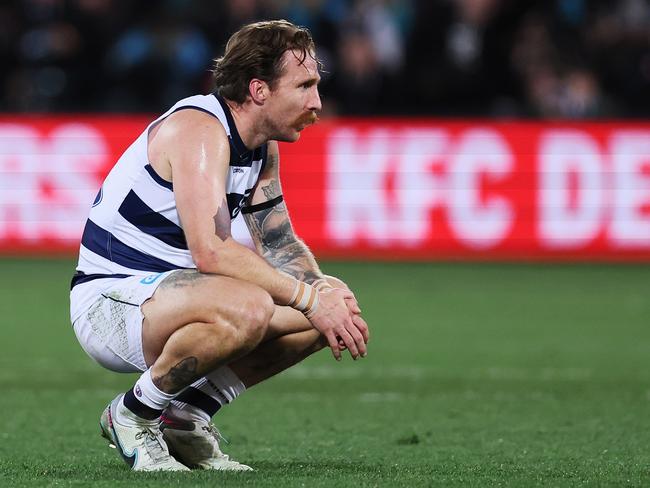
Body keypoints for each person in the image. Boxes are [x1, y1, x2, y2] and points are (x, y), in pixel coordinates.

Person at [69, 19, 369, 472]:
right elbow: (211, 250)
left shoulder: (261, 147)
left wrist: (322, 298)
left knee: (332, 301)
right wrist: (309, 299)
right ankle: (132, 414)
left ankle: (186, 418)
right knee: (255, 304)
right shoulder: (199, 130)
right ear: (260, 89)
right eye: (305, 85)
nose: (317, 102)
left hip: (178, 296)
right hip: (112, 300)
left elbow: (278, 239)